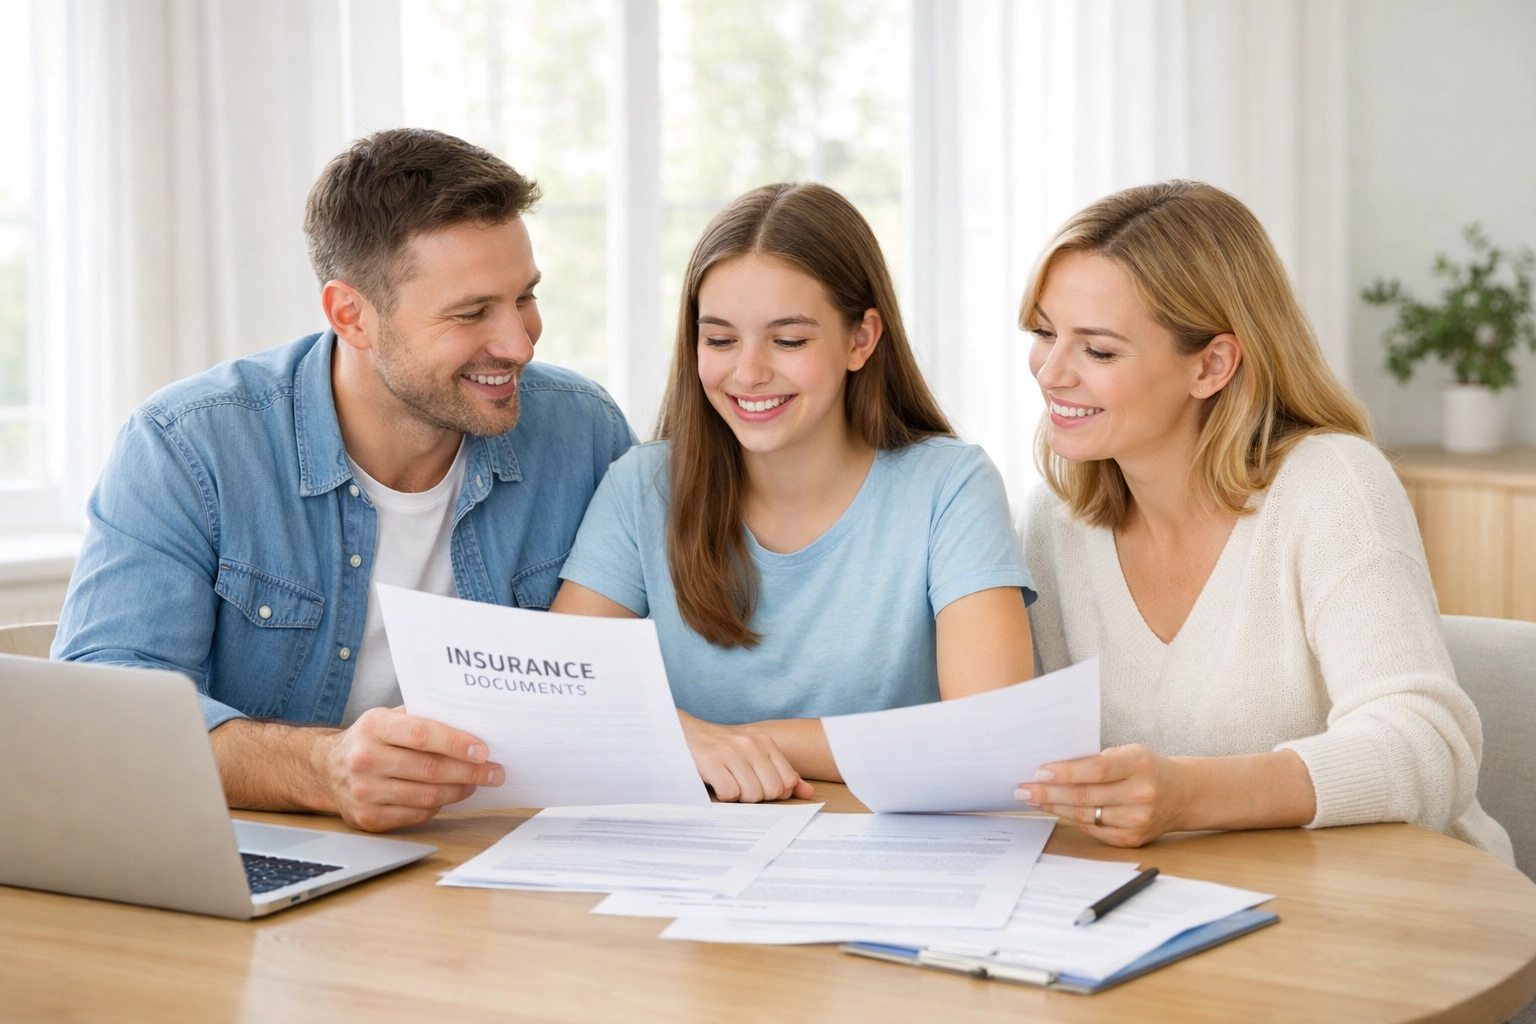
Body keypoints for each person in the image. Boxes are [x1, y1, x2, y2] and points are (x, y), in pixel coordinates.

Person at [52, 128, 635, 832]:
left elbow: (656, 669)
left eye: (525, 297)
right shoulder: (189, 448)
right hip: (280, 866)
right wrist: (321, 769)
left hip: (505, 852)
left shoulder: (583, 430)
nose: (518, 342)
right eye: (472, 312)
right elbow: (106, 711)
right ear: (350, 315)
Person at [1012, 180, 1514, 862]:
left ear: (1212, 365)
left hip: (1391, 908)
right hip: (1182, 906)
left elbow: (1428, 744)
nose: (1051, 371)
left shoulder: (1331, 485)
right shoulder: (1055, 521)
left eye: (1098, 351)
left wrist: (1187, 794)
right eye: (1044, 333)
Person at [551, 182, 1036, 803]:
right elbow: (555, 698)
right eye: (720, 339)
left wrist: (737, 743)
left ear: (860, 339)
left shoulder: (950, 487)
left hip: (899, 861)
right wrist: (686, 737)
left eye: (788, 340)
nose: (748, 372)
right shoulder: (642, 488)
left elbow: (993, 738)